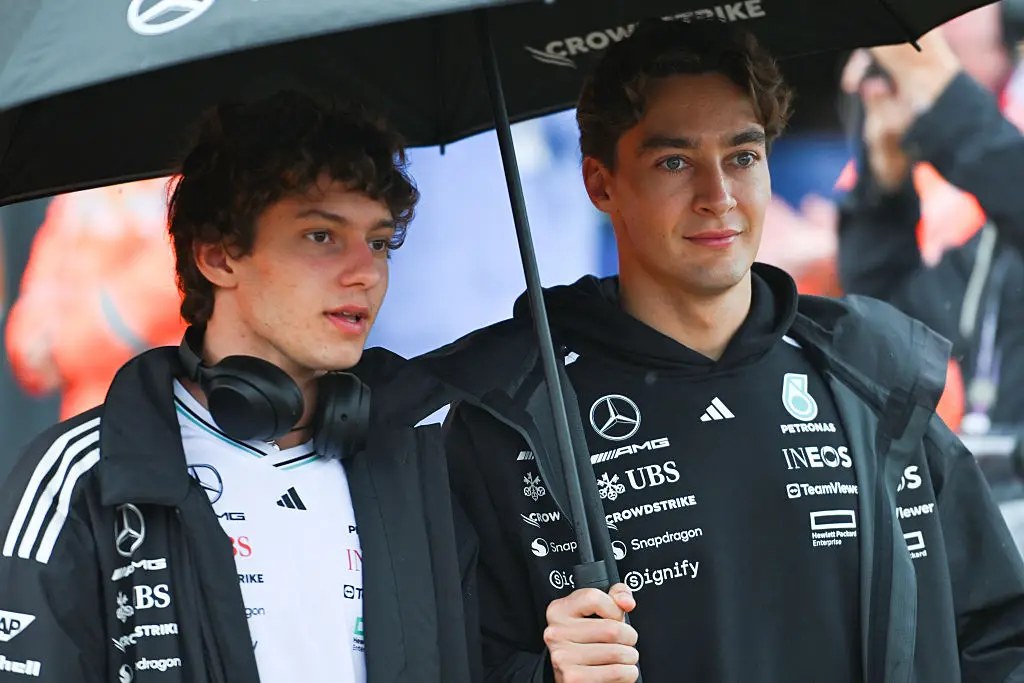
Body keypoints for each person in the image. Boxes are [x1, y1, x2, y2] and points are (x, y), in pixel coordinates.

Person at [414, 18, 1024, 683]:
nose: (719, 196)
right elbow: (442, 663)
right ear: (601, 182)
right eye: (674, 161)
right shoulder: (505, 418)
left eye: (743, 155)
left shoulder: (873, 375)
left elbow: (1000, 635)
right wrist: (549, 676)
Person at [0, 92, 479, 683]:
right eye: (321, 236)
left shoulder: (427, 455)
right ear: (218, 256)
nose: (367, 272)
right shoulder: (78, 477)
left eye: (378, 241)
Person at [836, 5, 1024, 436]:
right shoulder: (991, 221)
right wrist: (885, 181)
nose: (936, 29)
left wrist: (940, 94)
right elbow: (886, 328)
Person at [5, 178, 187, 420]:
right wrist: (31, 347)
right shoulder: (83, 187)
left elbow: (169, 285)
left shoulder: (190, 180)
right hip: (88, 424)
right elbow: (37, 298)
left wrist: (64, 347)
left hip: (172, 412)